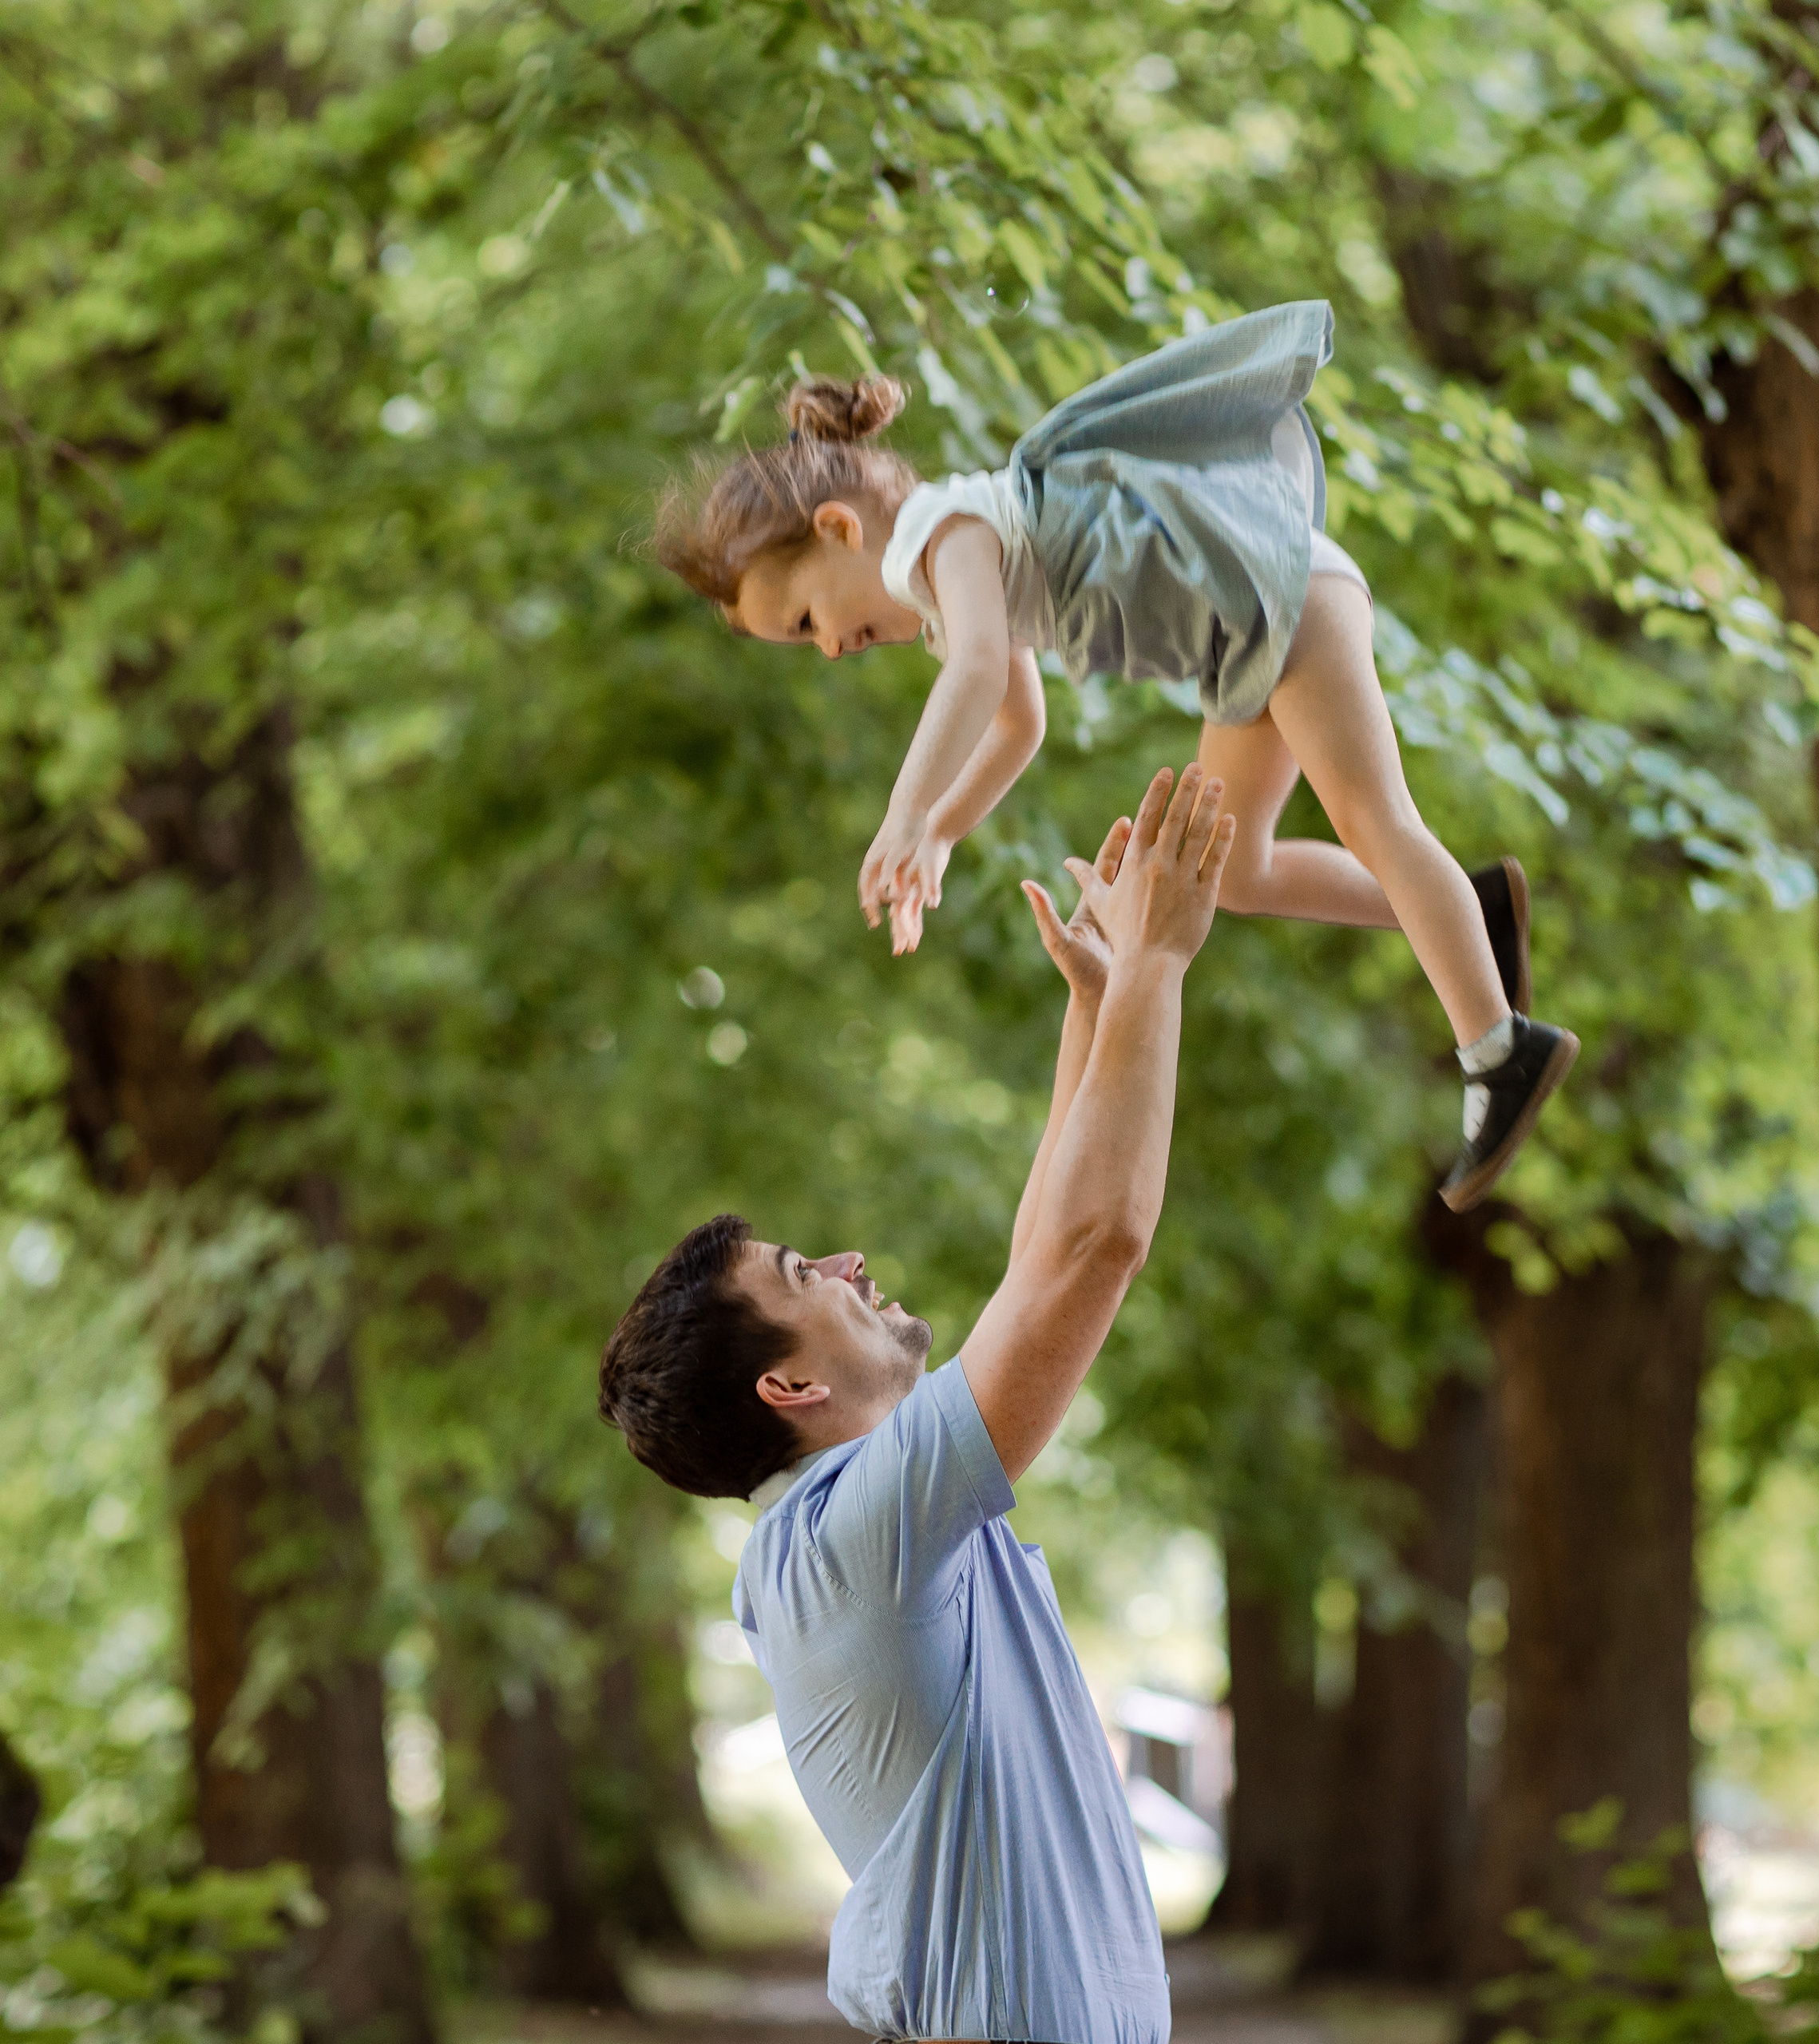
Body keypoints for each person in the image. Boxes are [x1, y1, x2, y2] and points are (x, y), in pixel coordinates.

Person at [654, 301, 1574, 1210]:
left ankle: (1499, 1047)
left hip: (1280, 596)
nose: (826, 648)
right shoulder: (948, 590)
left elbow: (977, 673)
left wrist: (901, 810)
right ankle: (1470, 914)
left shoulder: (947, 531)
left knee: (1372, 818)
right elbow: (1019, 725)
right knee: (1236, 870)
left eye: (807, 618)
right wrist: (938, 830)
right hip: (1242, 645)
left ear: (838, 529)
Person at [599, 763, 1234, 2044]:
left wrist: (1103, 1008)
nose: (839, 1262)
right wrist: (1160, 969)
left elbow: (1042, 1254)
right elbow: (1092, 1249)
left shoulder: (861, 1529)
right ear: (791, 1386)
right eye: (799, 1275)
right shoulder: (852, 1543)